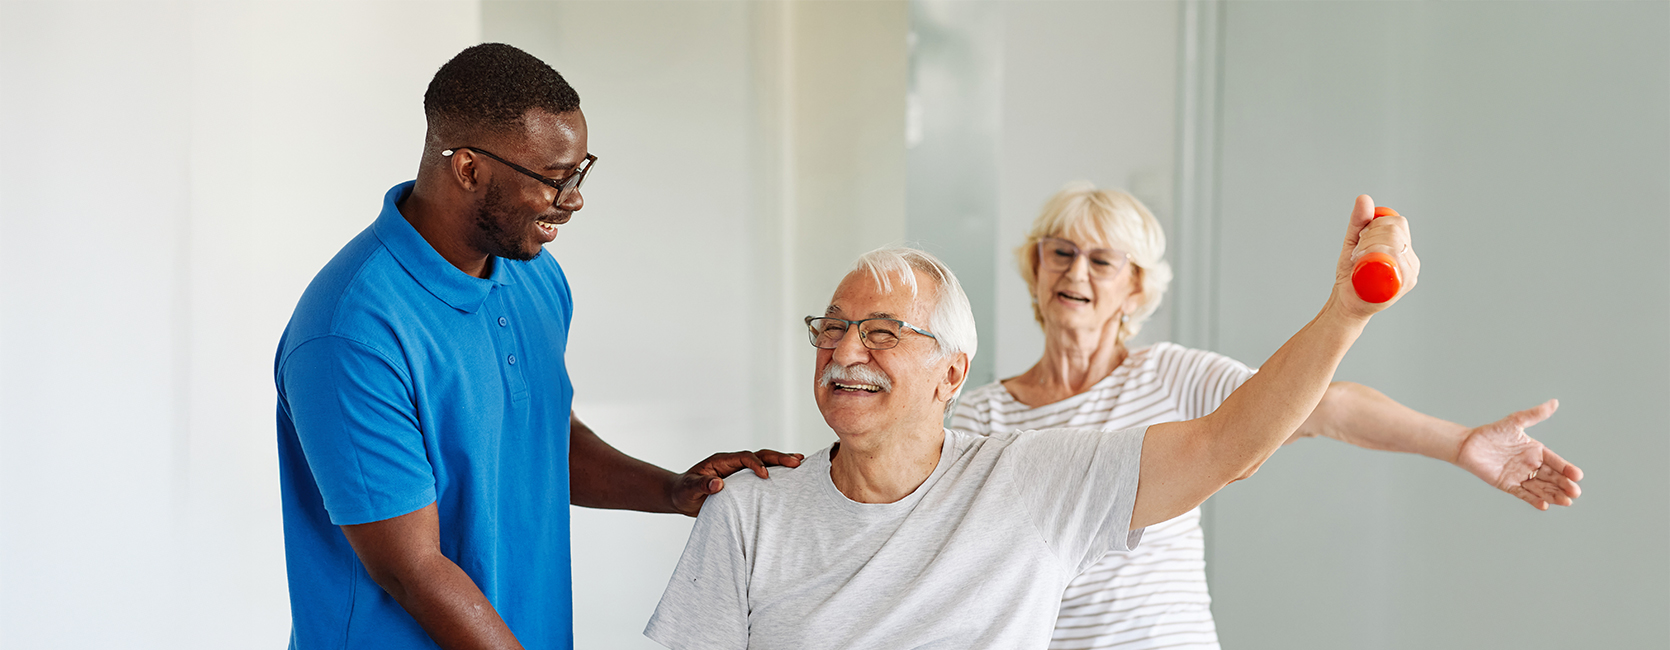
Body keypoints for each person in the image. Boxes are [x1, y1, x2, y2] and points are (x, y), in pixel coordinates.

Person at [645, 197, 1468, 648]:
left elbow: (1234, 441)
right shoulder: (750, 506)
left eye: (884, 333)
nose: (846, 351)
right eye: (832, 328)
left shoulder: (1034, 472)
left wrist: (1346, 314)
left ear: (949, 375)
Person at [274, 43, 800, 650]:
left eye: (580, 171)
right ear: (468, 169)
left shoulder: (533, 275)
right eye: (553, 180)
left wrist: (670, 491)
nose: (573, 198)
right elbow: (410, 568)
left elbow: (539, 436)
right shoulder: (351, 332)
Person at [950, 182, 1584, 650]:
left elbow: (1325, 408)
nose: (1075, 272)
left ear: (1136, 288)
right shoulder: (975, 419)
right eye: (1059, 253)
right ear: (1034, 267)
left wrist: (1459, 441)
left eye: (1102, 260)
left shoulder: (1171, 374)